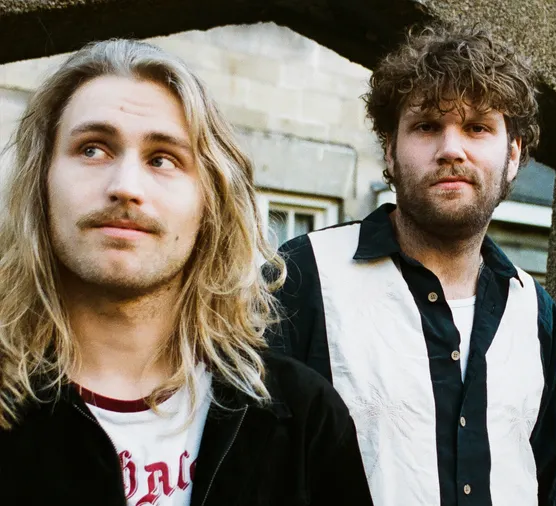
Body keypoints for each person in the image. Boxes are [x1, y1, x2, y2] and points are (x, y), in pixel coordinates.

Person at [0, 39, 373, 506]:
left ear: (209, 203)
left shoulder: (303, 418)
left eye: (162, 159)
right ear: (41, 182)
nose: (125, 187)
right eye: (93, 149)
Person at [269, 24, 556, 506]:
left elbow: (542, 480)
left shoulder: (534, 309)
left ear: (513, 154)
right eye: (426, 126)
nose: (451, 149)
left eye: (477, 127)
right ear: (389, 148)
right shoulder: (303, 276)